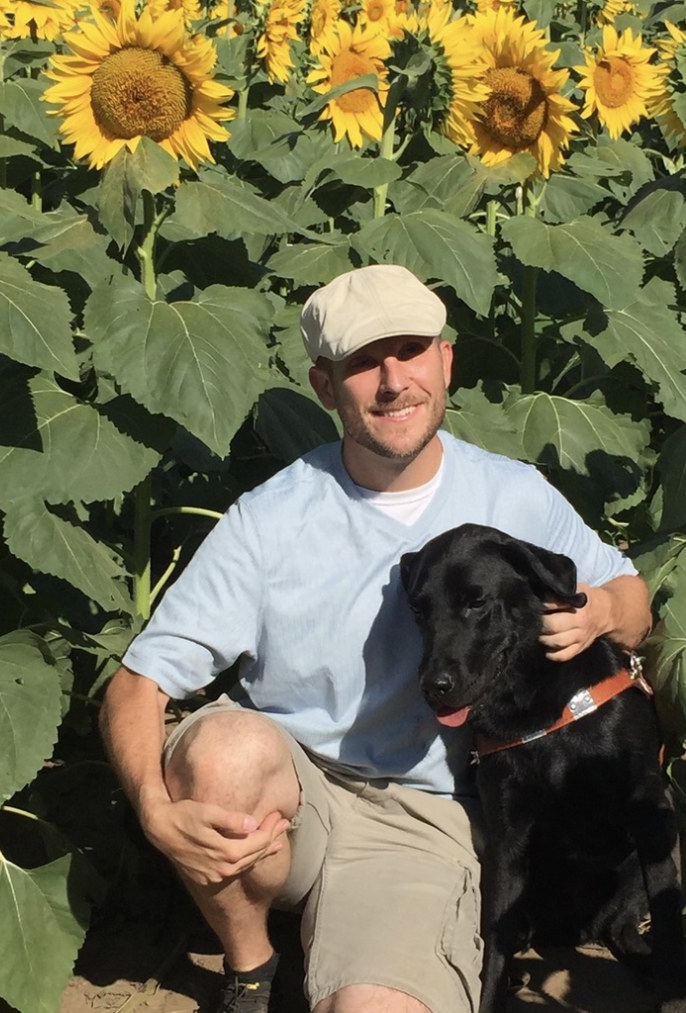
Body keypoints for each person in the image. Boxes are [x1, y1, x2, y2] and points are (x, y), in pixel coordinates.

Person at [99, 264, 652, 1013]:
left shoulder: (512, 495)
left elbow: (632, 600)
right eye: (363, 362)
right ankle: (250, 966)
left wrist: (599, 610)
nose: (394, 381)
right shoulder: (271, 516)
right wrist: (153, 809)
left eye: (411, 350)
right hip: (289, 793)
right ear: (325, 386)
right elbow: (138, 682)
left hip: (418, 815)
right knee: (224, 751)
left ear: (446, 360)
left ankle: (357, 951)